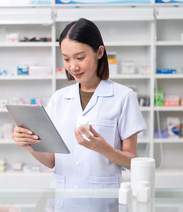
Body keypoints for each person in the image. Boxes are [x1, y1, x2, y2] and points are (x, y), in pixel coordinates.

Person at [12, 18, 146, 189]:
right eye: (66, 59)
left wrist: (103, 148)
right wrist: (28, 144)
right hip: (61, 199)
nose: (73, 66)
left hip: (104, 202)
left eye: (80, 57)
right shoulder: (59, 99)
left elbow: (132, 162)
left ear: (99, 52)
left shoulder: (123, 96)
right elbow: (52, 161)